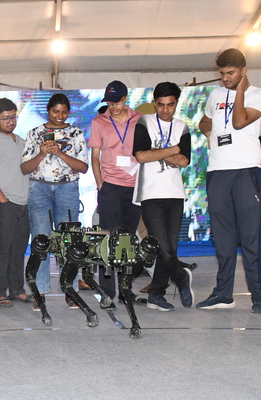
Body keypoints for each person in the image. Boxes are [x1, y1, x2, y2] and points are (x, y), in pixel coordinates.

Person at [196, 48, 261, 313]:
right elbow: (204, 121)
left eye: (230, 73)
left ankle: (259, 296)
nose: (225, 78)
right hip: (218, 171)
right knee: (223, 239)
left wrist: (239, 91)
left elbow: (239, 122)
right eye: (222, 73)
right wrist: (210, 134)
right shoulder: (215, 95)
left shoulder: (259, 94)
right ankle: (223, 294)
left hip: (245, 171)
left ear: (244, 71)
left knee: (250, 238)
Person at [20, 93, 88, 310]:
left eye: (64, 112)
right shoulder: (35, 133)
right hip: (39, 188)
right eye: (55, 111)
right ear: (48, 111)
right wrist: (41, 154)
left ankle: (70, 289)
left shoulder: (76, 133)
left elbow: (83, 167)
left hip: (67, 188)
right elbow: (25, 168)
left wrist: (59, 152)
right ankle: (39, 291)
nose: (60, 116)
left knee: (69, 241)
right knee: (40, 239)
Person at [132, 82, 193, 311]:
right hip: (150, 193)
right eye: (160, 105)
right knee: (162, 247)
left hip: (175, 194)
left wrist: (156, 152)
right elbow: (140, 156)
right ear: (154, 103)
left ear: (177, 103)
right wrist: (173, 149)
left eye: (170, 105)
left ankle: (157, 293)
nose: (165, 110)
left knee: (170, 249)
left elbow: (184, 161)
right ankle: (181, 277)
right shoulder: (144, 122)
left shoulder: (182, 127)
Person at [87, 80, 142, 308]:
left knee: (127, 242)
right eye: (109, 102)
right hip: (110, 186)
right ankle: (107, 293)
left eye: (117, 102)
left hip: (135, 187)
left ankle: (126, 291)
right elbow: (95, 157)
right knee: (107, 241)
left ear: (125, 99)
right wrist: (101, 184)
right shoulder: (99, 122)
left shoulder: (139, 119)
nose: (113, 107)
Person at [0, 98, 33, 308]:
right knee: (2, 251)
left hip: (23, 203)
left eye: (13, 117)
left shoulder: (21, 141)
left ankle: (17, 290)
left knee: (19, 250)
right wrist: (2, 200)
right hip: (2, 204)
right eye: (5, 118)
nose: (10, 122)